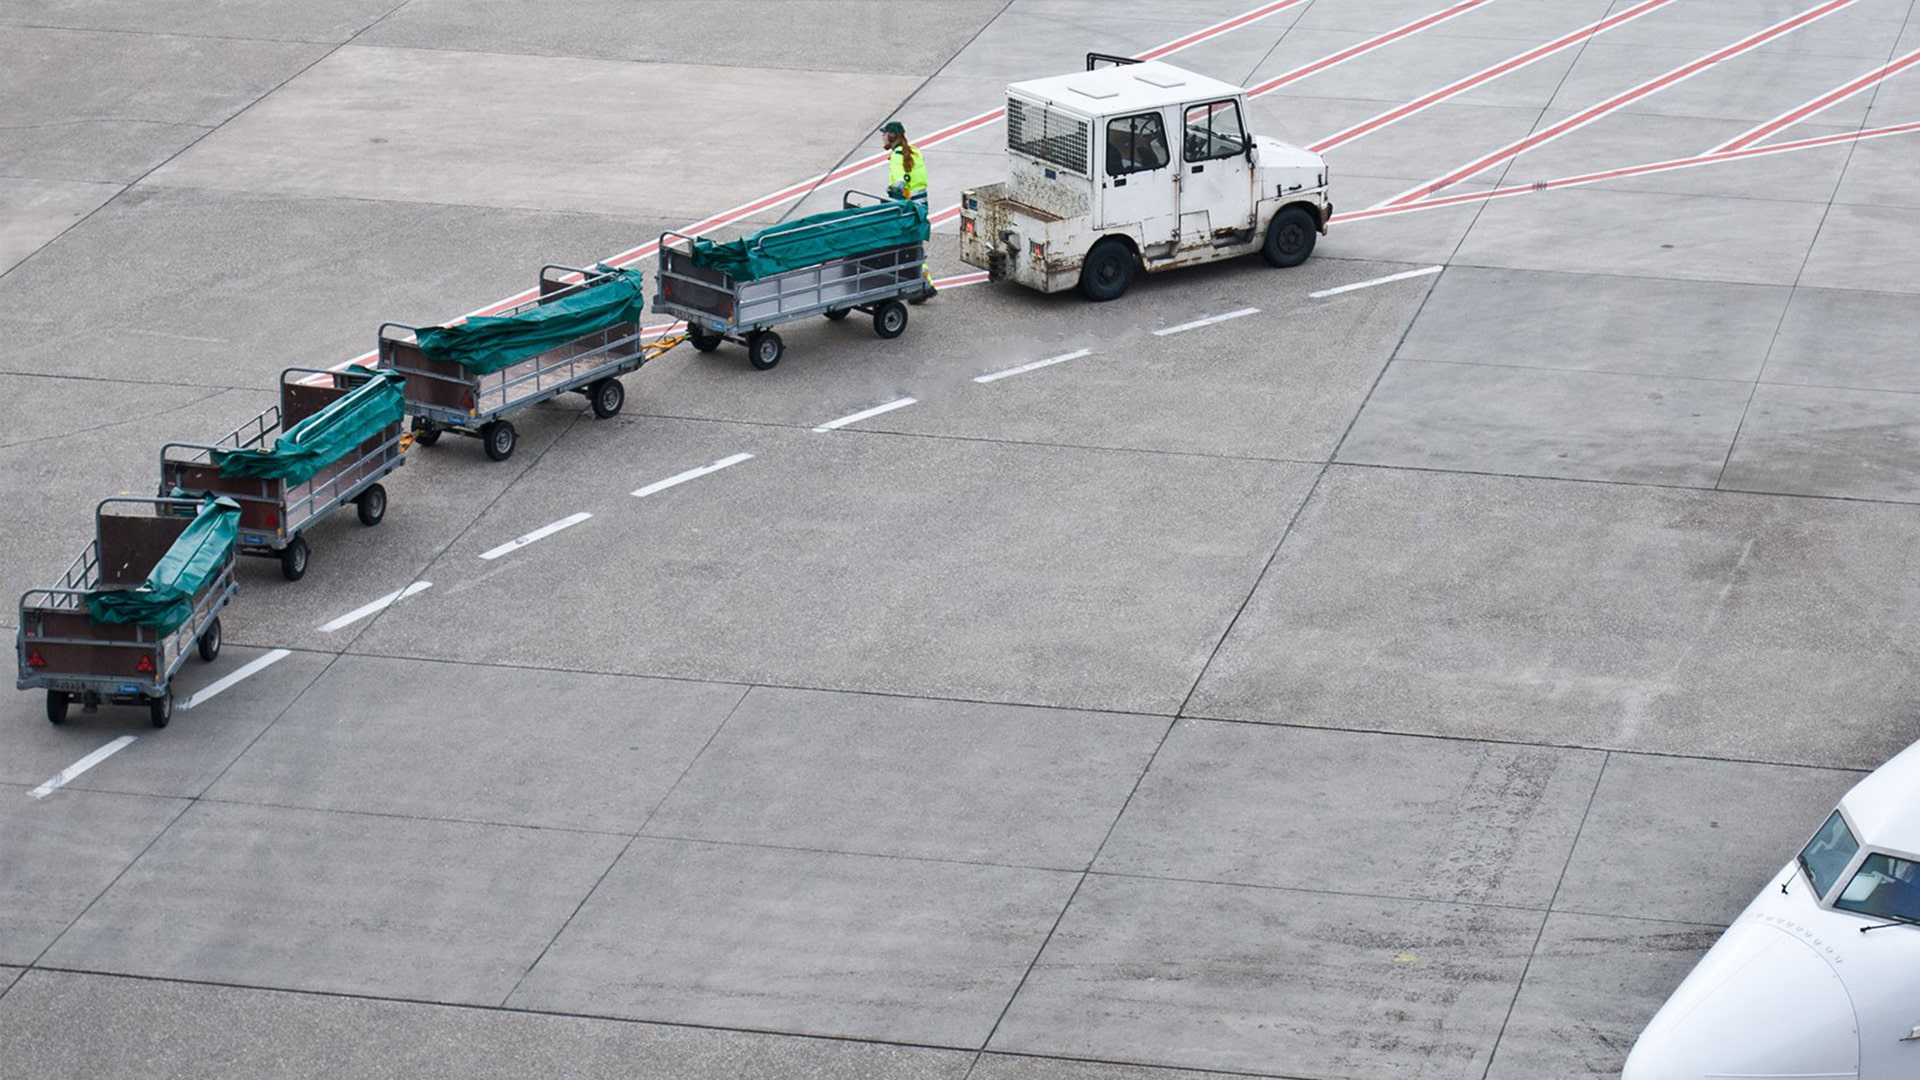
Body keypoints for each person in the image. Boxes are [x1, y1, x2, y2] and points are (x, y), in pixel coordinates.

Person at [881, 120, 935, 302]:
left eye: (884, 133)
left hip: (908, 207)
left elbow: (900, 184)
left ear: (891, 136)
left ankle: (923, 285)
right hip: (921, 206)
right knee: (914, 245)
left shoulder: (897, 157)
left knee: (904, 246)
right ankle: (924, 285)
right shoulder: (915, 152)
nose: (882, 137)